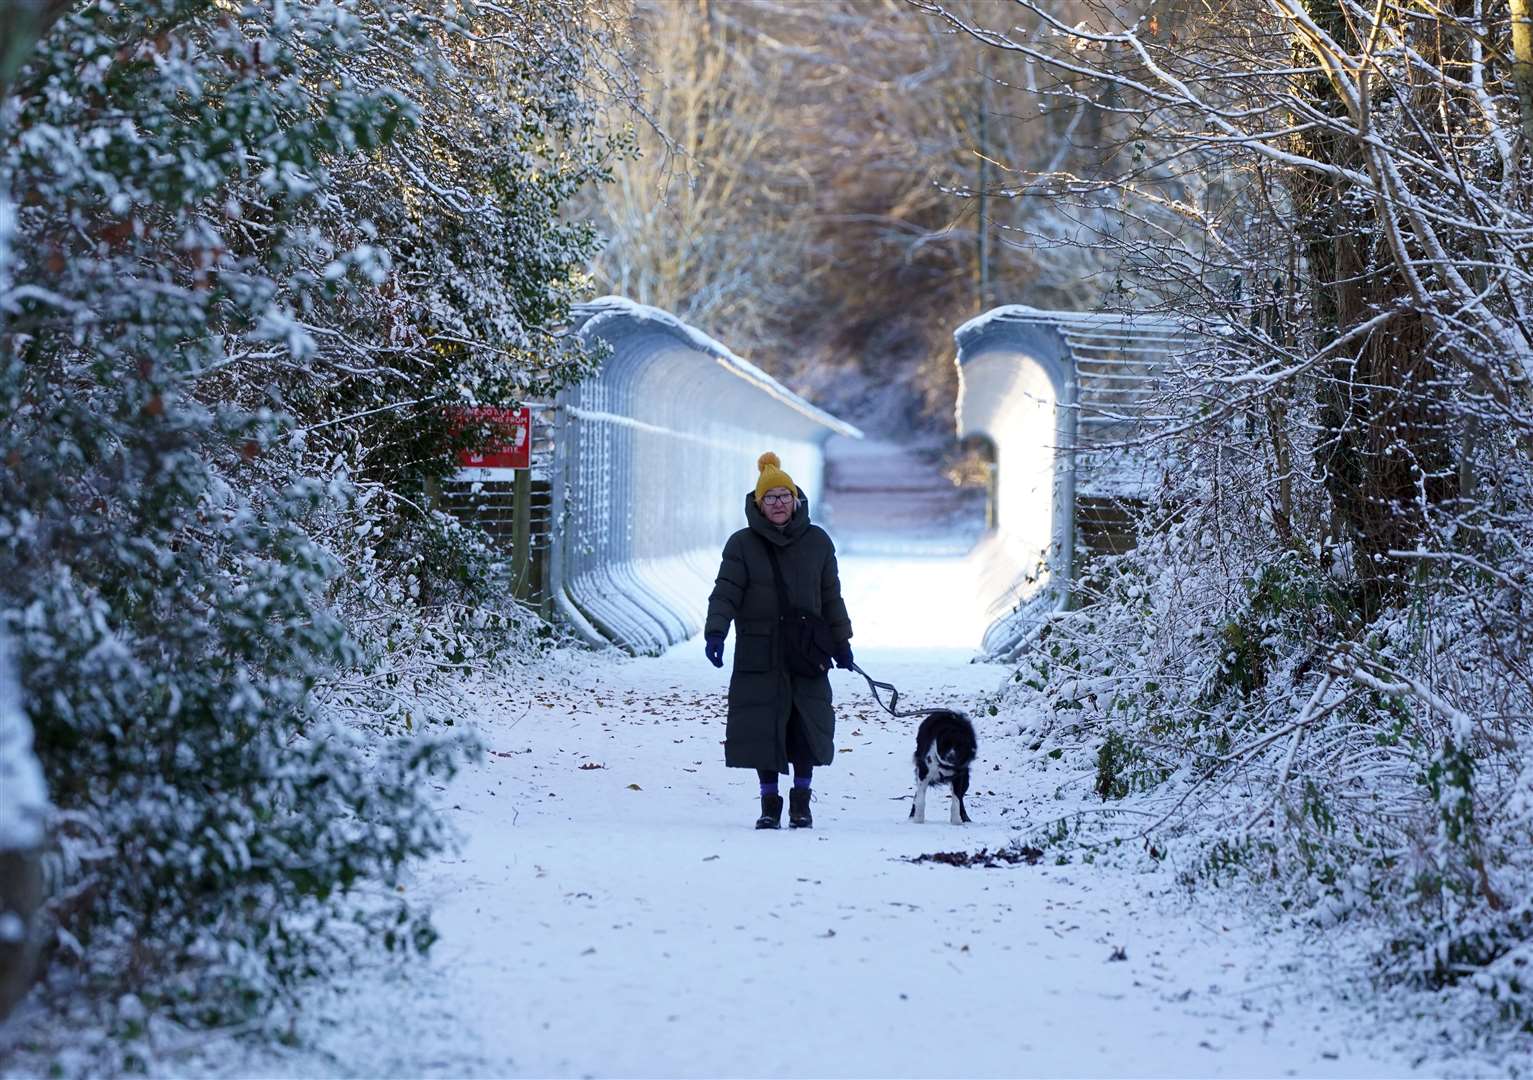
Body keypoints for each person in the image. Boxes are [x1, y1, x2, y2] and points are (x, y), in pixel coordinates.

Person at [704, 452, 854, 830]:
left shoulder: (818, 542)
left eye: (784, 495)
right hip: (760, 650)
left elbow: (832, 596)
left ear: (796, 499)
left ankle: (801, 801)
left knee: (805, 725)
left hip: (807, 650)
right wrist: (716, 632)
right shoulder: (741, 545)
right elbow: (726, 592)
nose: (778, 503)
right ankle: (769, 803)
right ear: (758, 503)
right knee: (763, 727)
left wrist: (842, 641)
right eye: (770, 497)